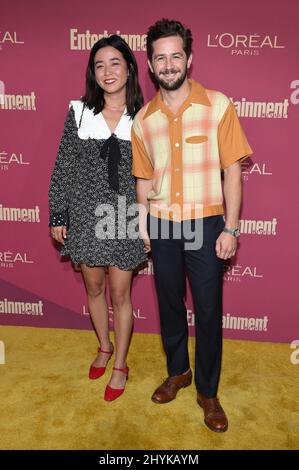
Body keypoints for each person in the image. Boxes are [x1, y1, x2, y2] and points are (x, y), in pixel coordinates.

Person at [132, 19, 252, 432]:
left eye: (176, 55)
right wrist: (142, 224)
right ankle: (178, 372)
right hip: (163, 226)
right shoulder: (142, 120)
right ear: (150, 65)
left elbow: (233, 171)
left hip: (206, 225)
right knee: (169, 306)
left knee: (208, 310)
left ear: (190, 59)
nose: (168, 64)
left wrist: (230, 228)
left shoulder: (217, 105)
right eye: (160, 58)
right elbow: (143, 179)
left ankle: (208, 391)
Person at [49, 35, 147, 402]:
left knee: (121, 294)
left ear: (130, 68)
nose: (108, 71)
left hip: (123, 217)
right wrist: (59, 212)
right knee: (93, 289)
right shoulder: (78, 111)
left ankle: (120, 363)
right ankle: (104, 347)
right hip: (85, 215)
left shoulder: (145, 116)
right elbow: (63, 166)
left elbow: (153, 175)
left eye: (115, 63)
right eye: (100, 65)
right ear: (93, 72)